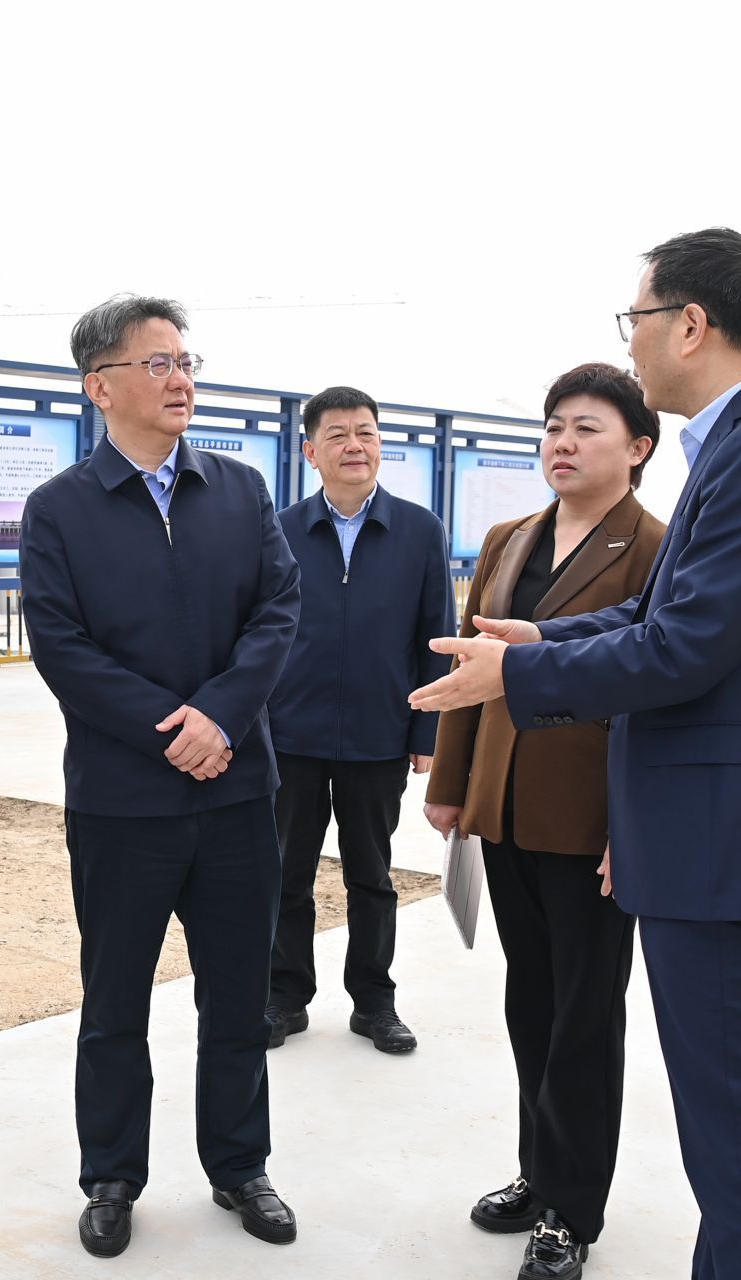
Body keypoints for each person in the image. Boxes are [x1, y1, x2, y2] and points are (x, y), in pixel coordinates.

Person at [412, 229, 741, 1280]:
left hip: (727, 847)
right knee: (729, 1132)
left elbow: (684, 647)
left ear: (691, 325)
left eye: (639, 318)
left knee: (737, 1141)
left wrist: (518, 675)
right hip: (720, 841)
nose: (635, 341)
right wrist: (540, 640)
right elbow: (670, 617)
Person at [20, 295, 301, 1258]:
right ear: (99, 387)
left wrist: (221, 716)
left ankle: (240, 1165)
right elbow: (62, 647)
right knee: (114, 1004)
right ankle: (111, 1176)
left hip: (236, 790)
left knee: (238, 996)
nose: (180, 380)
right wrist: (171, 731)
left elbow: (277, 613)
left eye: (185, 362)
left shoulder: (241, 491)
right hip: (122, 801)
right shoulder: (59, 510)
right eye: (157, 364)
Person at [422, 362, 666, 1280]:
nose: (563, 443)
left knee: (584, 1018)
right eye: (555, 426)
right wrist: (453, 783)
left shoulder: (655, 547)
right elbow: (470, 668)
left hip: (592, 821)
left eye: (587, 428)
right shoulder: (509, 539)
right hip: (505, 808)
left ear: (637, 449)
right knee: (531, 1001)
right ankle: (538, 1171)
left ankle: (573, 1209)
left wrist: (633, 825)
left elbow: (657, 695)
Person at [264, 385, 451, 1055]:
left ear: (380, 444)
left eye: (366, 432)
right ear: (310, 451)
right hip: (290, 736)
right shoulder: (279, 531)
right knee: (285, 873)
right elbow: (252, 633)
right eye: (338, 434)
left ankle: (374, 1002)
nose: (354, 445)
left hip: (378, 735)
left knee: (372, 875)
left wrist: (427, 732)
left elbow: (436, 637)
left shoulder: (420, 530)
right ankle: (284, 997)